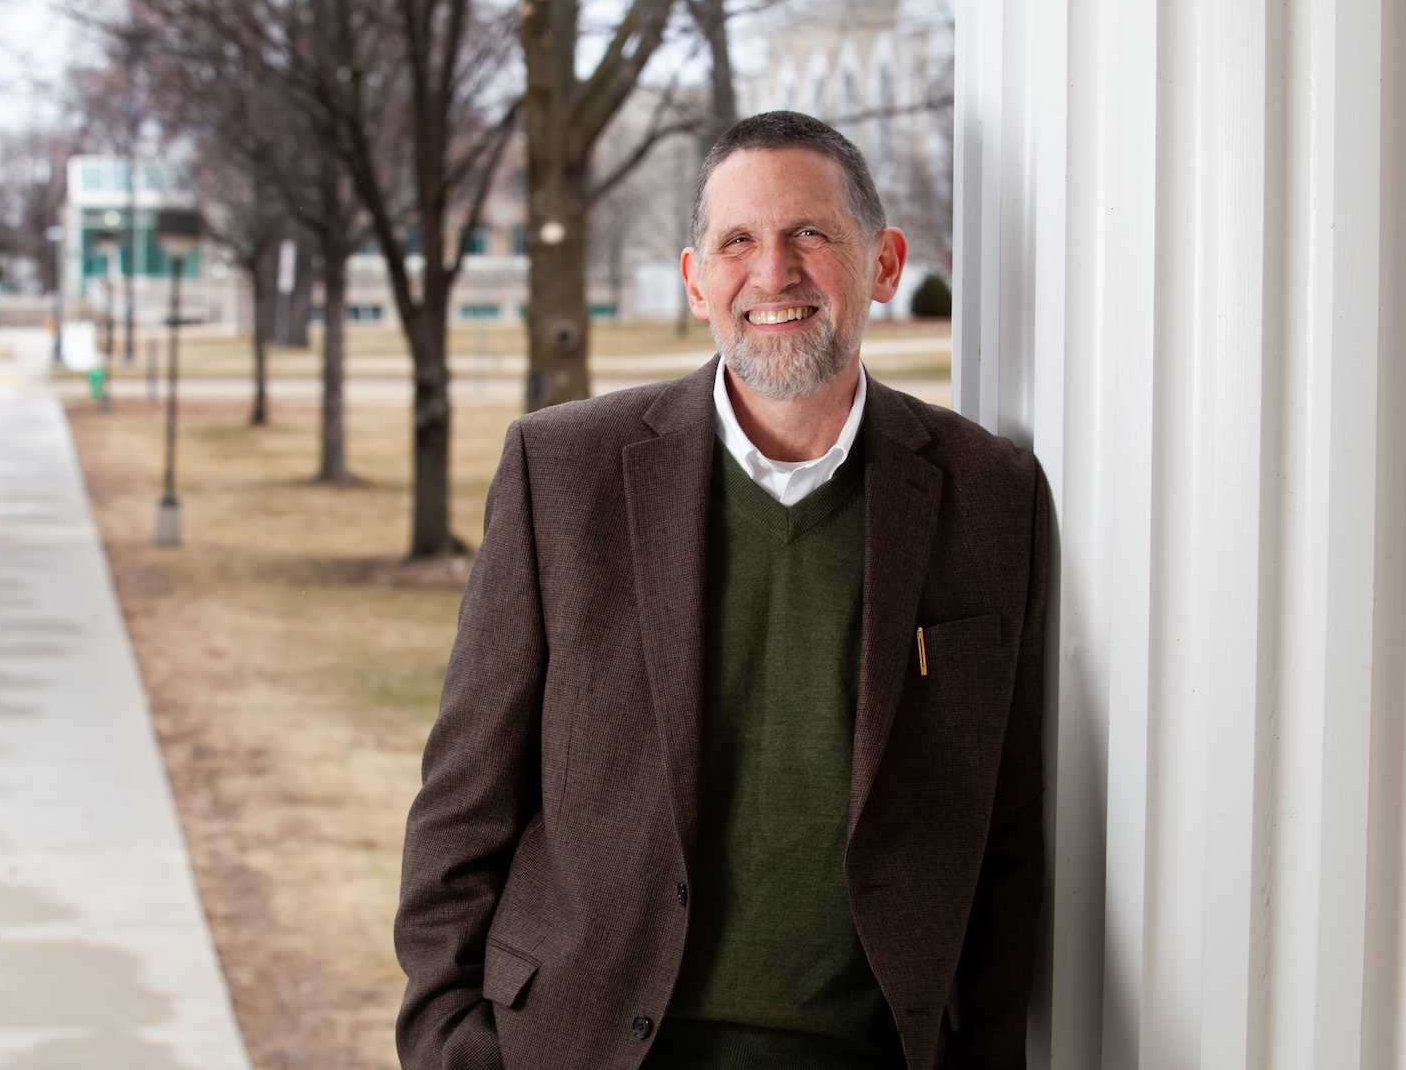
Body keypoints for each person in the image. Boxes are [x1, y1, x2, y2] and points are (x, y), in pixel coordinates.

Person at [395, 111, 1048, 1069]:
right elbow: (463, 805)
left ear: (883, 262)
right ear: (698, 278)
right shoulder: (563, 471)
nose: (773, 273)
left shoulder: (989, 495)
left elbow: (1007, 836)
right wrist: (451, 1044)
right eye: (737, 240)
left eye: (810, 235)